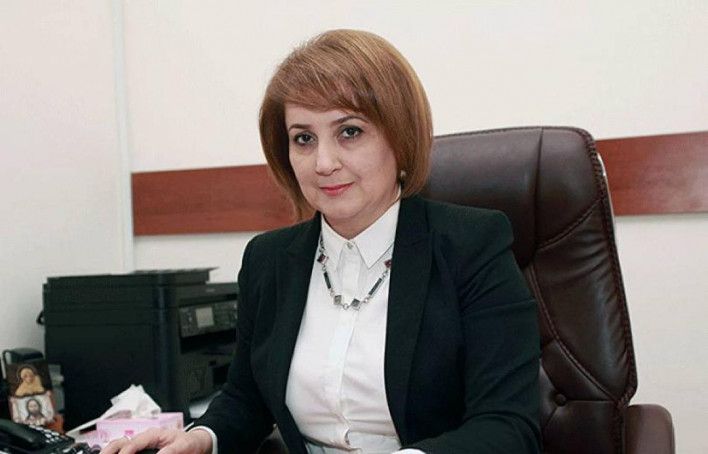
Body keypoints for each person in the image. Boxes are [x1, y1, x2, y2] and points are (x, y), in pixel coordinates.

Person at [103, 29, 540, 454]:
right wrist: (200, 439)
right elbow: (246, 400)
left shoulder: (470, 246)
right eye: (304, 139)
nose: (324, 162)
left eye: (349, 131)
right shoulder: (268, 260)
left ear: (400, 137)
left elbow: (507, 426)